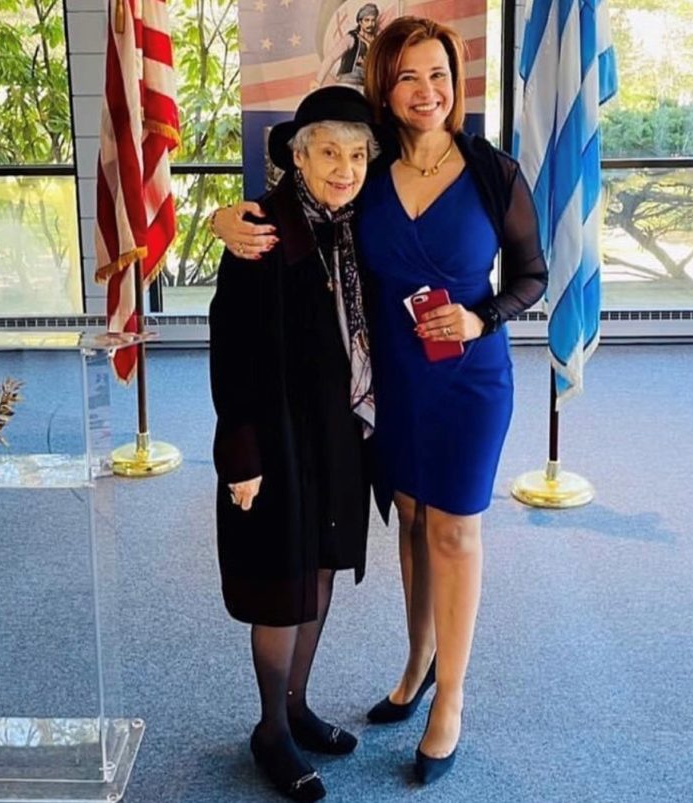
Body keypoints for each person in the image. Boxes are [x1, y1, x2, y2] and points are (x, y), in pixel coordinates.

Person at [212, 17, 547, 785]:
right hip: (389, 383)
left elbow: (532, 274)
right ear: (385, 90)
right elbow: (297, 207)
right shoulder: (372, 164)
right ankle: (416, 663)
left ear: (456, 83)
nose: (427, 91)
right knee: (411, 522)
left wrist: (482, 316)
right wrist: (223, 218)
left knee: (454, 530)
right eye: (408, 77)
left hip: (467, 379)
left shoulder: (492, 173)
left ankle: (450, 698)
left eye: (439, 74)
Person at [208, 85, 384, 802]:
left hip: (338, 433)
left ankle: (299, 704)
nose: (345, 168)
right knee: (282, 585)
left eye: (357, 155)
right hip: (277, 437)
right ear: (299, 158)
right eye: (329, 153)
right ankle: (270, 730)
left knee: (320, 569)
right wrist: (240, 455)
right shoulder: (261, 231)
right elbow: (232, 354)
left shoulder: (359, 225)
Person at [314, 3, 379, 88]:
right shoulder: (351, 38)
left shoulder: (376, 42)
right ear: (360, 21)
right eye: (367, 20)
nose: (370, 24)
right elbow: (331, 57)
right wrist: (318, 80)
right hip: (348, 84)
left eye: (373, 20)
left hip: (365, 87)